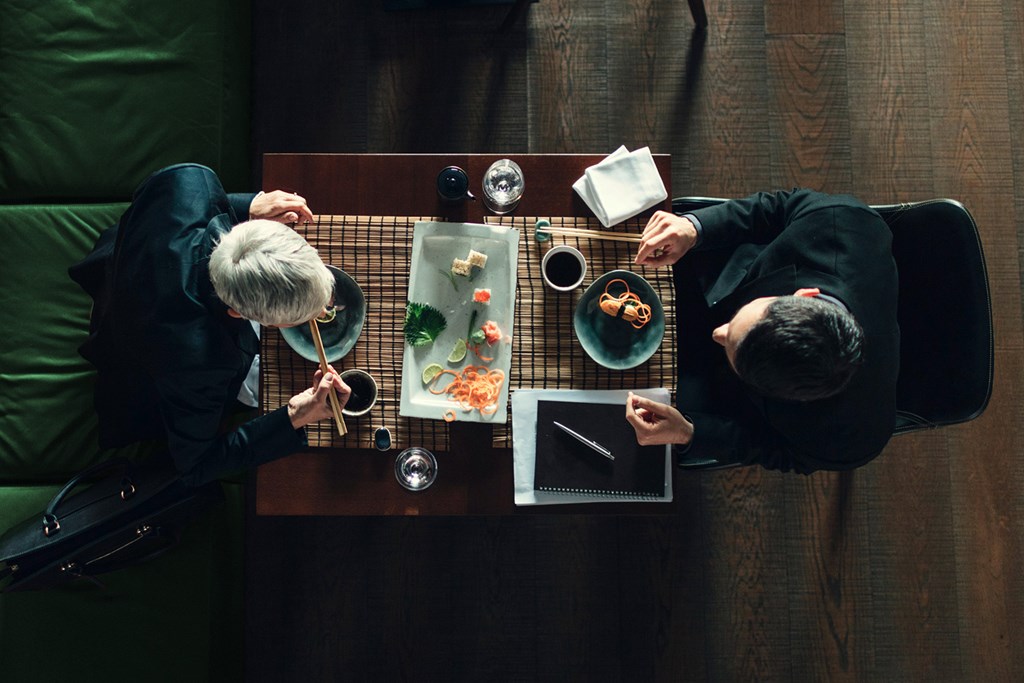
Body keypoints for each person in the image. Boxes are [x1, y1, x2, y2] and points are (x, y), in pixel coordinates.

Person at [69, 163, 350, 486]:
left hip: (127, 256)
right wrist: (297, 415)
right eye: (299, 318)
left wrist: (248, 207)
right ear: (238, 314)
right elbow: (194, 463)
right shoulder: (201, 365)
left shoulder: (190, 182)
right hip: (127, 344)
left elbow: (200, 207)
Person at [623, 189, 900, 473]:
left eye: (732, 346)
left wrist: (689, 433)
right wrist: (695, 227)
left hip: (720, 389)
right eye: (735, 326)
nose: (718, 333)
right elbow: (775, 208)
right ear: (803, 295)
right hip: (729, 278)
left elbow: (778, 451)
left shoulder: (851, 439)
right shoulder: (842, 222)